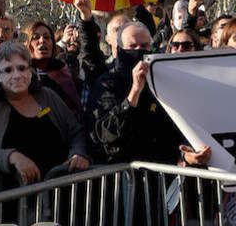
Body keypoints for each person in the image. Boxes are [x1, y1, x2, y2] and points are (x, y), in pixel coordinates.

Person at [87, 21, 211, 167]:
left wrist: (185, 154)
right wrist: (134, 92)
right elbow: (104, 132)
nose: (139, 50)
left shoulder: (162, 80)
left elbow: (175, 127)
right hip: (122, 173)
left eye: (145, 46)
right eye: (132, 46)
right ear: (120, 48)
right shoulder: (107, 82)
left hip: (163, 173)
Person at [0, 42, 90, 184]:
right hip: (15, 197)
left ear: (30, 70)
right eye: (8, 70)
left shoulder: (48, 96)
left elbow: (76, 131)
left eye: (21, 68)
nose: (17, 75)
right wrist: (12, 157)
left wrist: (78, 153)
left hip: (61, 192)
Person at [21, 20, 82, 115]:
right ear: (26, 44)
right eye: (35, 37)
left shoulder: (64, 72)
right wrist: (46, 112)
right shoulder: (20, 75)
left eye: (47, 37)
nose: (42, 40)